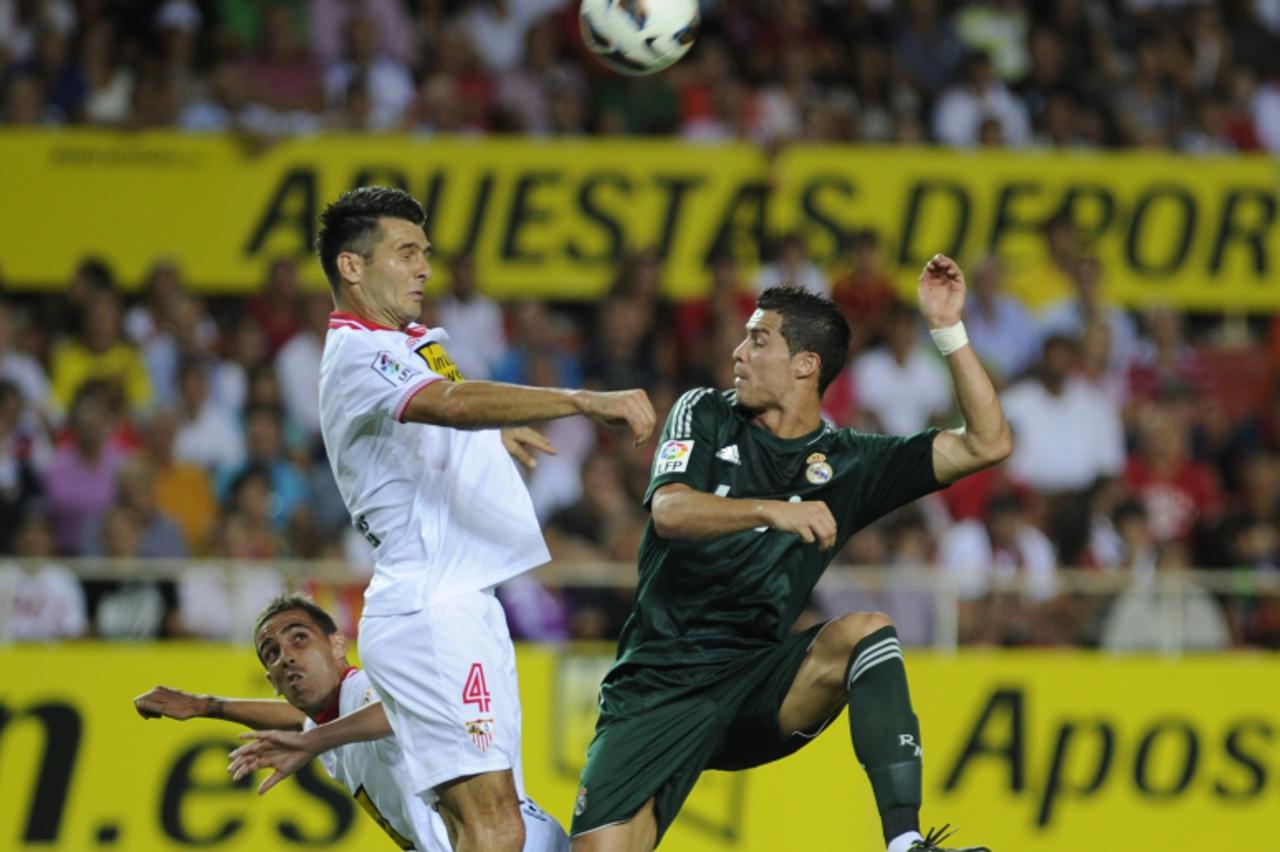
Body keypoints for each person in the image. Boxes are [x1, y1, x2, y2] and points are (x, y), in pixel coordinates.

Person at [239, 186, 653, 852]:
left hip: (461, 605)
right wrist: (578, 398)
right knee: (496, 827)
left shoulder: (401, 339)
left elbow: (446, 382)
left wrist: (498, 435)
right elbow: (450, 402)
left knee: (484, 828)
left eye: (425, 253)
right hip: (431, 608)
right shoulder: (356, 355)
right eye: (406, 253)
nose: (423, 267)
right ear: (353, 266)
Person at [571, 256, 1010, 852]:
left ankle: (906, 844)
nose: (738, 353)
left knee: (868, 633)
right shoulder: (703, 412)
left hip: (757, 683)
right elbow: (671, 512)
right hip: (657, 685)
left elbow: (988, 442)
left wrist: (948, 330)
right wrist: (772, 510)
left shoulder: (852, 461)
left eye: (758, 340)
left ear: (806, 365)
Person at [133, 594, 568, 852]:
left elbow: (403, 712)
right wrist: (209, 706)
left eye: (299, 638)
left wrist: (312, 741)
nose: (285, 656)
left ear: (338, 645)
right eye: (272, 653)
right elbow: (301, 723)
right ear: (272, 681)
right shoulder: (334, 725)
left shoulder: (367, 691)